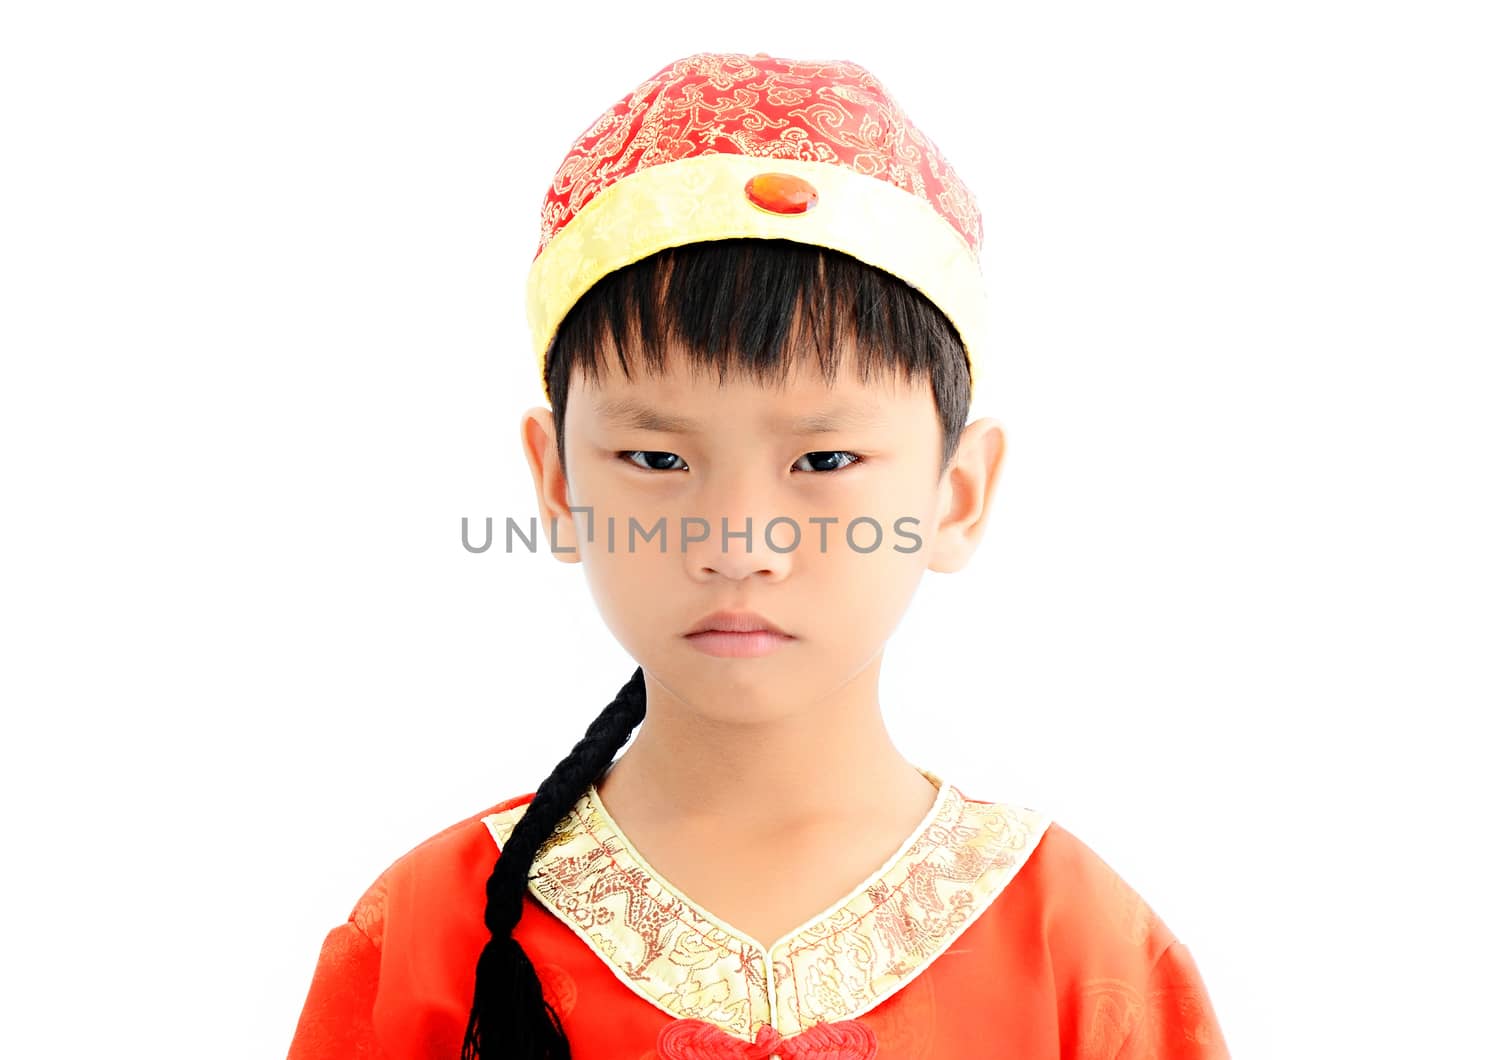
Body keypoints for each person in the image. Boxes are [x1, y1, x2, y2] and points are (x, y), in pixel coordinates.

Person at [286, 50, 1229, 1059]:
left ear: (957, 492)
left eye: (824, 458)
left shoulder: (1083, 954)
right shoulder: (430, 941)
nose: (737, 543)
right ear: (558, 480)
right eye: (654, 456)